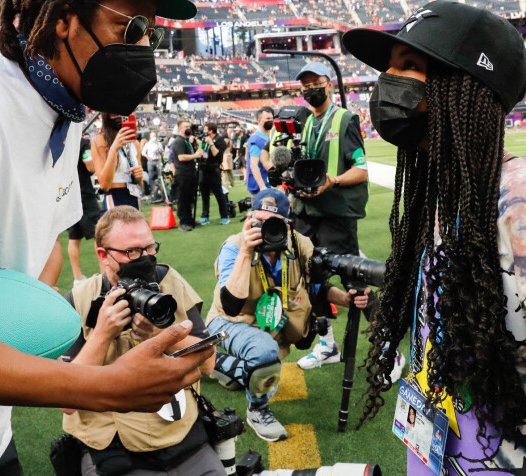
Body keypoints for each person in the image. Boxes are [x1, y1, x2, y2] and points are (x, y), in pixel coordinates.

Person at [0, 0, 212, 476]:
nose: (144, 48)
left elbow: (38, 253)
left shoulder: (62, 110)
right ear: (64, 18)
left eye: (151, 32)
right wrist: (97, 383)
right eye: (130, 27)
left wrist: (46, 325)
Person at [343, 0, 526, 474]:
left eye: (410, 66)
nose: (388, 81)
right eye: (389, 67)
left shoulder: (515, 203)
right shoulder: (441, 190)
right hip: (433, 440)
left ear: (465, 88)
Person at [61, 206, 225, 476]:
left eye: (150, 248)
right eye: (132, 252)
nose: (146, 259)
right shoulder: (78, 300)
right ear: (103, 255)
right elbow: (67, 402)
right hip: (113, 446)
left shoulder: (167, 281)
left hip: (179, 431)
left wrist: (159, 335)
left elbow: (208, 363)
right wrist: (102, 334)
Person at [205, 189, 370, 442]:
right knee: (264, 354)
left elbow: (317, 287)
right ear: (249, 219)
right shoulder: (234, 246)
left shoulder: (299, 244)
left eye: (273, 223)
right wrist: (247, 252)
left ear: (287, 224)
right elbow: (231, 305)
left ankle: (215, 363)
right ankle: (258, 409)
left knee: (254, 369)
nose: (264, 229)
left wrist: (347, 300)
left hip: (266, 325)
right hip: (229, 321)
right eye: (257, 221)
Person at [278, 62, 373, 371]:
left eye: (316, 82)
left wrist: (332, 181)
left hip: (335, 215)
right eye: (304, 85)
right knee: (308, 277)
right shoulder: (306, 123)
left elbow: (361, 170)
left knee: (353, 278)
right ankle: (327, 344)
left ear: (329, 84)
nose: (310, 89)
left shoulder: (344, 119)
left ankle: (386, 346)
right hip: (306, 213)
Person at [67, 134, 102, 287]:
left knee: (73, 238)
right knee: (99, 236)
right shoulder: (82, 144)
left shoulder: (65, 141)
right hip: (85, 196)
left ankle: (78, 278)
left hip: (67, 193)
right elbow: (91, 167)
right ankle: (104, 275)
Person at [92, 113, 144, 210]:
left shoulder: (135, 143)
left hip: (133, 196)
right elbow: (104, 185)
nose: (118, 117)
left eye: (121, 114)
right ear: (106, 117)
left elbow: (141, 186)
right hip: (113, 197)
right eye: (114, 114)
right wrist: (114, 149)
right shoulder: (100, 140)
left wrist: (140, 178)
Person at [172, 119, 203, 232]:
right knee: (183, 199)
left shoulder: (186, 141)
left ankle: (189, 220)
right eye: (186, 126)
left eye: (189, 126)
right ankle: (183, 222)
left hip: (190, 174)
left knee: (190, 198)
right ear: (180, 128)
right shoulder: (179, 141)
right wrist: (195, 155)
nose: (188, 128)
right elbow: (181, 157)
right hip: (183, 175)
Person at [198, 122, 231, 226]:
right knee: (204, 194)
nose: (203, 131)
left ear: (210, 131)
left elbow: (217, 154)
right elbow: (202, 152)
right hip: (203, 169)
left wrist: (211, 143)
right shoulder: (203, 140)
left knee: (218, 194)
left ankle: (224, 216)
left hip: (214, 169)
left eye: (205, 129)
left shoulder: (220, 140)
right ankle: (205, 216)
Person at [245, 107, 275, 195]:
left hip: (270, 184)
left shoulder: (270, 136)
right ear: (259, 121)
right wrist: (262, 186)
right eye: (268, 119)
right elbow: (253, 164)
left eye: (272, 119)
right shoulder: (256, 139)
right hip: (261, 188)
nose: (271, 121)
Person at [142, 131, 165, 203]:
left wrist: (160, 153)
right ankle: (153, 192)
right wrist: (147, 157)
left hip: (158, 161)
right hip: (151, 162)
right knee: (151, 177)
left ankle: (160, 192)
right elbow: (143, 153)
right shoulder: (147, 144)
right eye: (153, 136)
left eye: (155, 136)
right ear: (150, 137)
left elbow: (162, 152)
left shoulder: (159, 144)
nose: (154, 137)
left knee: (159, 177)